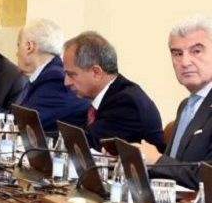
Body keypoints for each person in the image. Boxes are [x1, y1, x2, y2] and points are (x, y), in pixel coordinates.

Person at [136, 17, 212, 189]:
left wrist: (157, 161)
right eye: (177, 54)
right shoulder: (186, 105)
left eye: (196, 51)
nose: (185, 62)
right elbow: (175, 169)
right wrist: (134, 160)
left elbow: (207, 177)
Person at [61, 31, 165, 150]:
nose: (66, 82)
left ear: (96, 73)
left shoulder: (126, 103)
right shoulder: (105, 98)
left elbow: (83, 143)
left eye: (71, 74)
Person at [0, 18, 89, 132]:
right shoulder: (47, 74)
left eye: (18, 45)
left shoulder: (55, 79)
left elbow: (26, 121)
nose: (17, 53)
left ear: (29, 47)